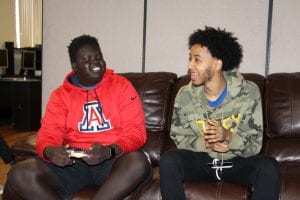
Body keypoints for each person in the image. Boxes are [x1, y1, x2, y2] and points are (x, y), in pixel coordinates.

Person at [6, 35, 151, 200]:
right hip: (74, 163)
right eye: (87, 59)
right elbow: (48, 133)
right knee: (19, 173)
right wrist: (50, 151)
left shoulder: (122, 86)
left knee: (137, 162)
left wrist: (109, 150)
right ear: (75, 66)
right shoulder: (60, 95)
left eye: (98, 57)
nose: (95, 62)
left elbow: (137, 132)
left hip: (112, 159)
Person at [159, 26, 281, 200]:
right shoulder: (185, 95)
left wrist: (229, 137)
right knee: (169, 160)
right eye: (190, 59)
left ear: (217, 64)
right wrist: (206, 143)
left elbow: (255, 144)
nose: (190, 66)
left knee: (269, 167)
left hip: (237, 161)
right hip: (202, 160)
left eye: (197, 60)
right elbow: (179, 136)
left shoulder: (249, 92)